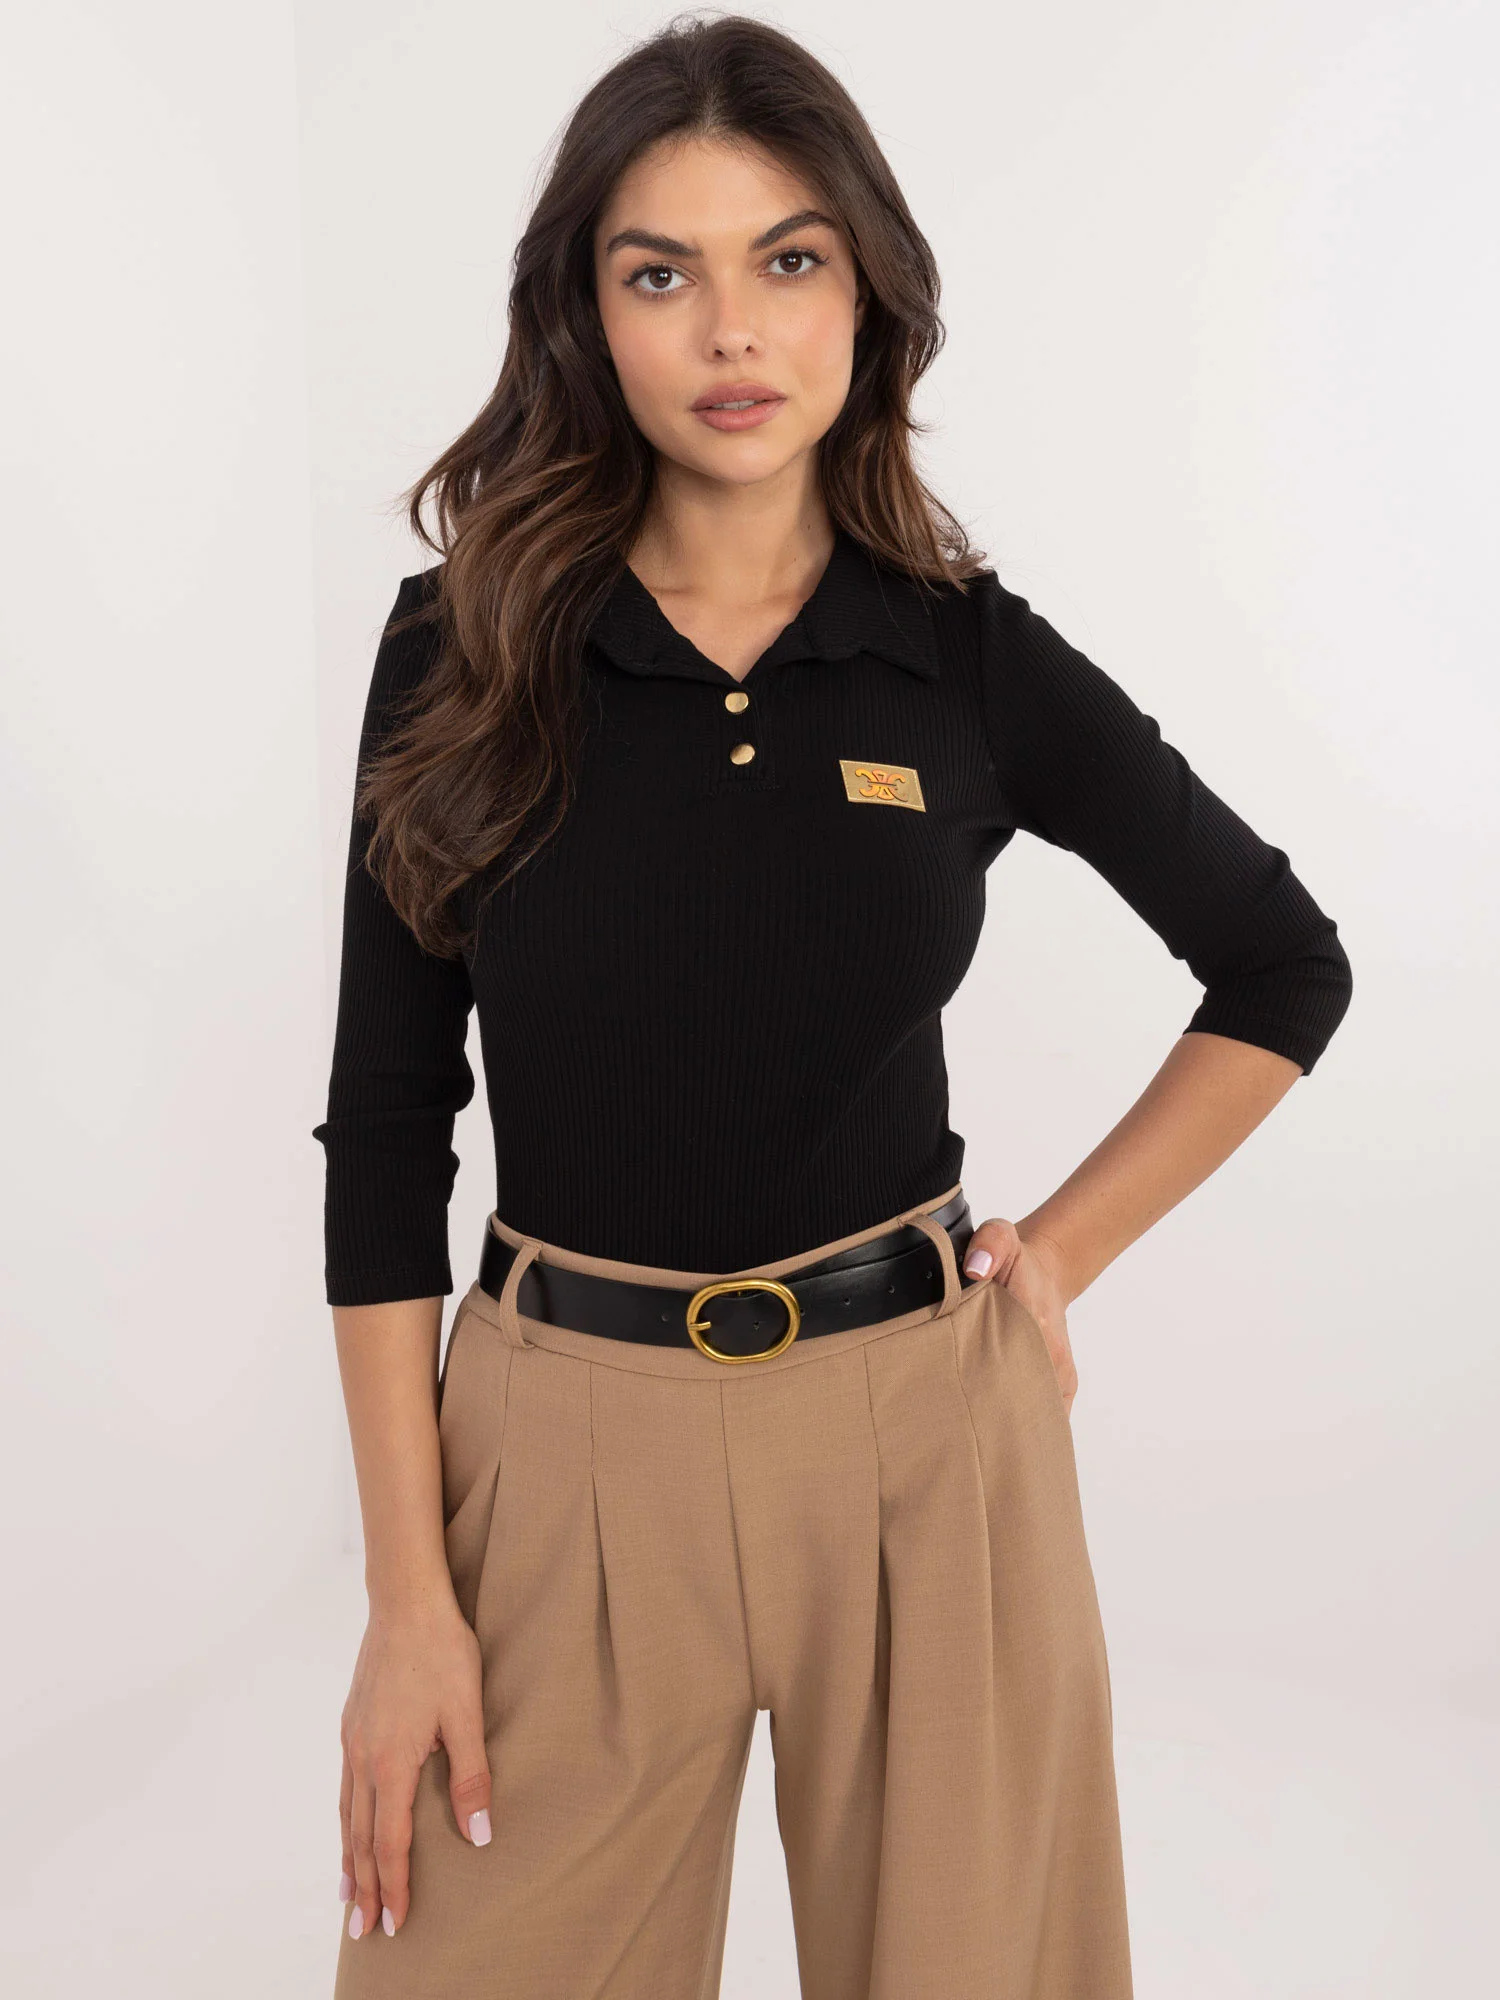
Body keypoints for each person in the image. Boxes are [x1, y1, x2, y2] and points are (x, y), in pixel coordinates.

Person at [313, 16, 1353, 1998]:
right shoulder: (461, 646)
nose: (732, 329)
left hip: (926, 1443)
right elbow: (383, 1130)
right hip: (558, 1444)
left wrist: (1065, 1249)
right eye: (661, 272)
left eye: (788, 260)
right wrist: (405, 1599)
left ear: (867, 297)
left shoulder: (964, 659)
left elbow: (1282, 961)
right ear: (585, 314)